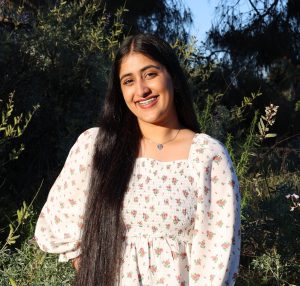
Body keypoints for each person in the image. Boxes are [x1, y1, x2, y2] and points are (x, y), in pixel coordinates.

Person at [34, 34, 241, 286]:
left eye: (150, 74)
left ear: (173, 78)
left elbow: (216, 256)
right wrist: (89, 267)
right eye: (128, 81)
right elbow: (59, 220)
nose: (141, 90)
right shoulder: (96, 147)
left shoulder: (206, 155)